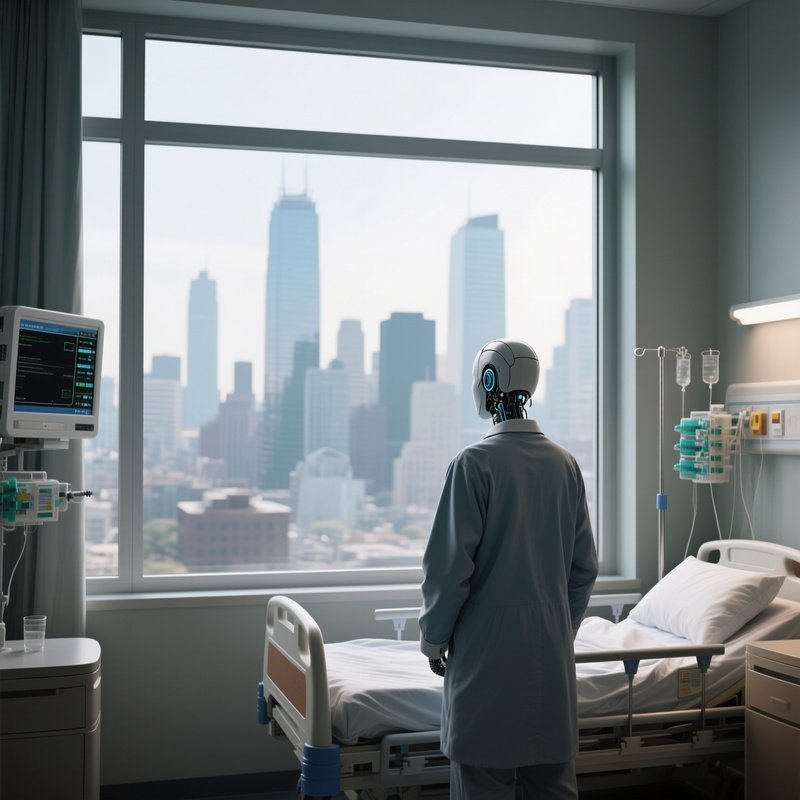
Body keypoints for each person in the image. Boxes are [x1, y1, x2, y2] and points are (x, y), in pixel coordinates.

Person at [419, 339, 598, 799]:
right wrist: (558, 626)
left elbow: (447, 571)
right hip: (549, 657)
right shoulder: (566, 466)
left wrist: (434, 640)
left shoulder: (473, 466)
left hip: (485, 664)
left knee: (482, 783)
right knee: (553, 785)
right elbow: (583, 570)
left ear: (489, 382)